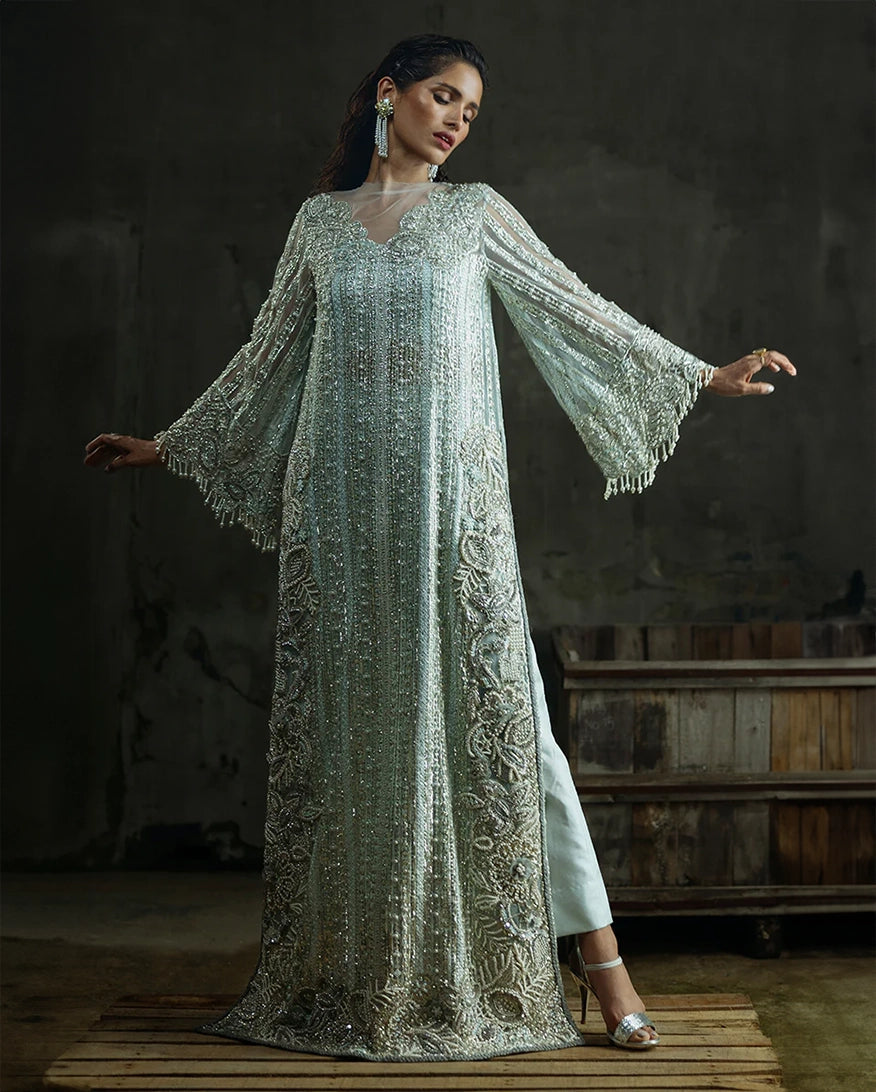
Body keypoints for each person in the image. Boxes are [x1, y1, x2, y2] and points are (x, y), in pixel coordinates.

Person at [85, 33, 796, 1062]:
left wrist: (699, 374)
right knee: (362, 738)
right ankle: (375, 974)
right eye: (444, 96)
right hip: (340, 518)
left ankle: (604, 968)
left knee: (509, 730)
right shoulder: (318, 226)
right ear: (392, 94)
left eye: (472, 109)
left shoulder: (476, 214)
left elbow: (576, 307)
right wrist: (170, 445)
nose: (459, 119)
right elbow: (267, 358)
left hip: (452, 513)